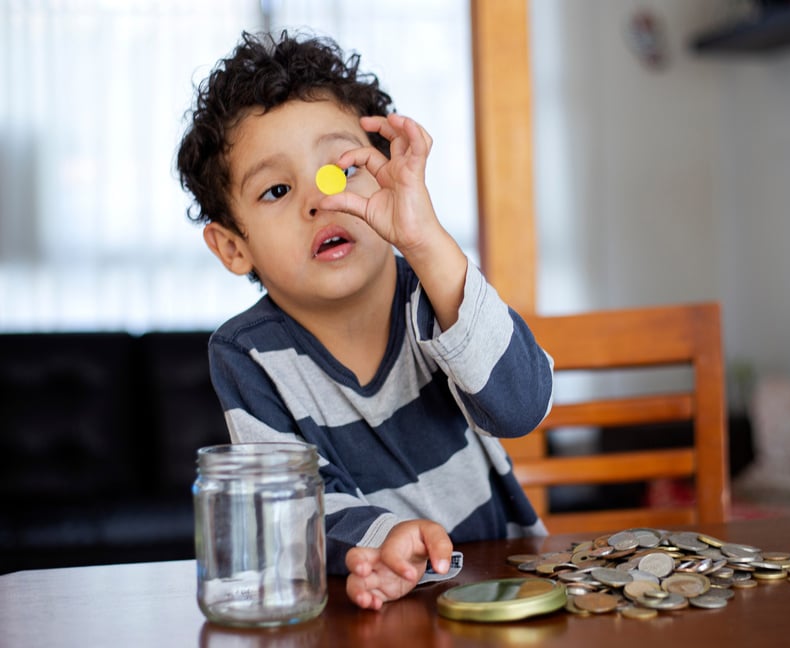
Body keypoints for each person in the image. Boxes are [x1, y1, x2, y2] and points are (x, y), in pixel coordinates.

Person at [175, 31, 552, 610]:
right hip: (364, 609)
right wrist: (385, 538)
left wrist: (427, 241)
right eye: (277, 189)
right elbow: (292, 506)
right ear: (232, 247)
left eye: (342, 170)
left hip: (498, 585)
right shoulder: (246, 355)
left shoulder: (437, 291)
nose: (320, 201)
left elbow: (522, 405)